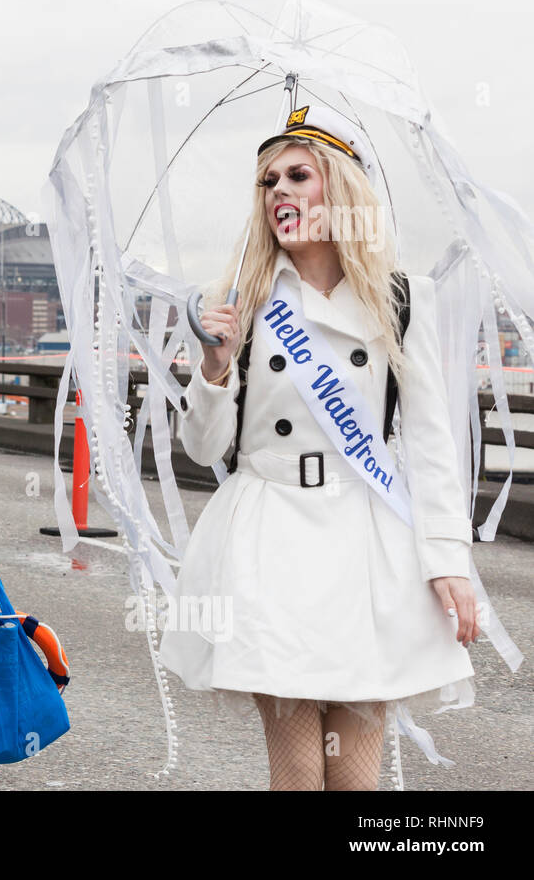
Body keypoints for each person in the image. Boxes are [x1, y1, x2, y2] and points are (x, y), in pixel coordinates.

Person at [160, 107, 479, 791]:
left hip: (367, 538)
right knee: (301, 774)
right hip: (270, 534)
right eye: (267, 181)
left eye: (297, 175)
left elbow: (428, 440)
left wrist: (449, 557)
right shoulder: (234, 302)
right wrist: (213, 368)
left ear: (339, 188)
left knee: (355, 781)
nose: (279, 191)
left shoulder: (402, 300)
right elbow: (204, 447)